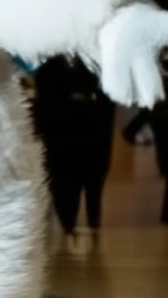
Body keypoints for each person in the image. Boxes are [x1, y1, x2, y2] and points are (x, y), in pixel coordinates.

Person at [32, 57, 115, 237]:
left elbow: (106, 101)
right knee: (65, 188)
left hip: (86, 138)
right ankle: (69, 225)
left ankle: (86, 224)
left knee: (88, 185)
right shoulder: (51, 67)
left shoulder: (94, 66)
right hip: (64, 138)